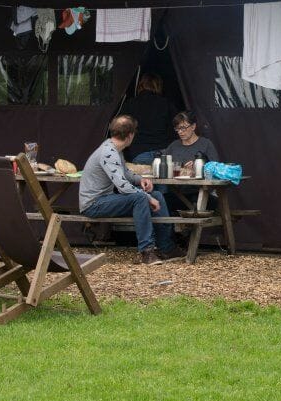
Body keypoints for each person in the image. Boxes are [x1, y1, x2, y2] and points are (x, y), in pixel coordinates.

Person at [78, 115, 184, 265]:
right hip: (93, 204)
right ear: (130, 135)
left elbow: (125, 173)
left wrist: (140, 180)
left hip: (106, 199)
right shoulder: (108, 152)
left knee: (157, 195)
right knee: (141, 198)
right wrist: (147, 198)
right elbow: (123, 186)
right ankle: (147, 252)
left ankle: (167, 248)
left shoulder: (114, 149)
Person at [122, 73, 177, 164]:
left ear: (141, 85)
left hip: (139, 152)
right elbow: (177, 127)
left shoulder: (130, 104)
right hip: (164, 152)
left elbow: (121, 129)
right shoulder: (166, 104)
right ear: (158, 86)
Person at [161, 111, 219, 177]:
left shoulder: (206, 144)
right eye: (177, 128)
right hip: (177, 186)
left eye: (183, 128)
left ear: (193, 127)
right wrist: (182, 170)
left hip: (201, 186)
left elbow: (216, 169)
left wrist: (196, 169)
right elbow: (163, 169)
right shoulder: (173, 146)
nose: (179, 132)